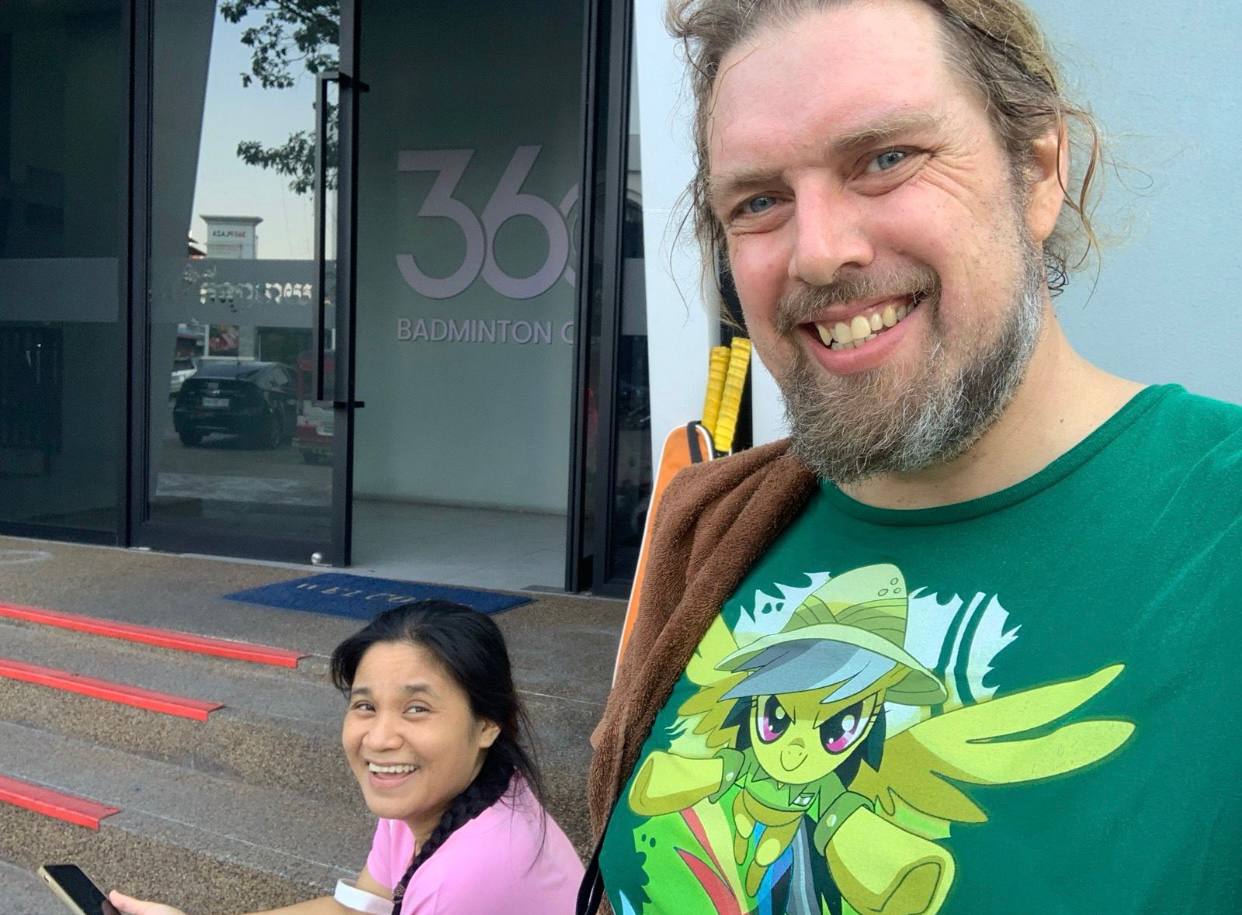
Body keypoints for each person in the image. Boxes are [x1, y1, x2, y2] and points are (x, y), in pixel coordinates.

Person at [584, 1, 1242, 913]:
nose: (820, 253)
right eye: (759, 201)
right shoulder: (711, 526)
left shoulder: (1217, 529)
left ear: (1037, 170)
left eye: (886, 158)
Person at [110, 600, 583, 914]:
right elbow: (359, 909)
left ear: (488, 724)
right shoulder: (441, 798)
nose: (379, 739)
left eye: (417, 709)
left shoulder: (470, 872)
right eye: (365, 707)